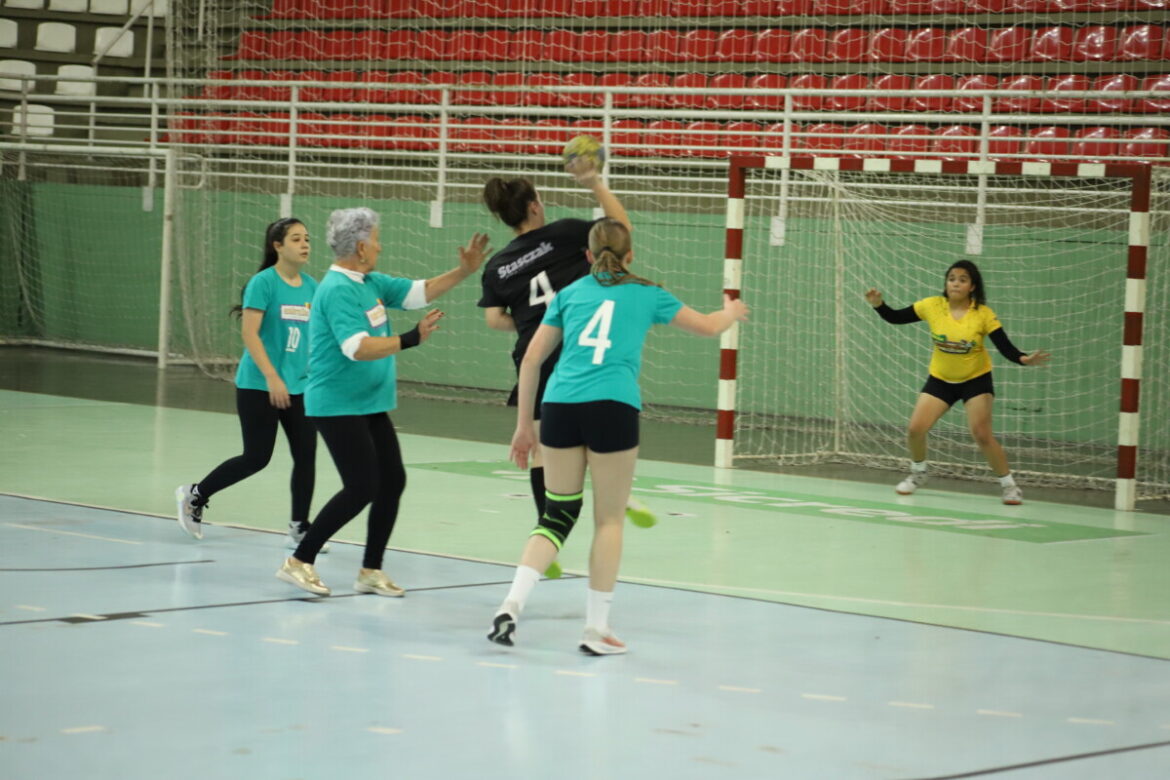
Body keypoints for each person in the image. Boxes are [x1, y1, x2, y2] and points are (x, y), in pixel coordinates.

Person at [487, 218, 749, 655]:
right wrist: (732, 313)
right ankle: (596, 629)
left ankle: (510, 605)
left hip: (560, 407)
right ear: (630, 256)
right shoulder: (647, 294)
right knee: (608, 520)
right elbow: (707, 326)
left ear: (587, 256)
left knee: (556, 516)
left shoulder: (569, 294)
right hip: (613, 407)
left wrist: (522, 429)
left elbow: (532, 360)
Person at [275, 207, 490, 597]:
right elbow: (356, 347)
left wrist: (463, 272)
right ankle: (299, 561)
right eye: (375, 239)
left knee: (392, 481)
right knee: (361, 486)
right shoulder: (338, 289)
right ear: (360, 247)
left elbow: (416, 293)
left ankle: (370, 570)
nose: (380, 245)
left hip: (368, 403)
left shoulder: (367, 280)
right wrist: (410, 339)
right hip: (337, 404)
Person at [478, 154, 654, 581]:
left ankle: (548, 537)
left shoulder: (498, 264)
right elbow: (620, 228)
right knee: (592, 426)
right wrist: (594, 183)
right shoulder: (566, 233)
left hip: (533, 358)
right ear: (536, 206)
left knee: (545, 453)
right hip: (579, 354)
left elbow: (494, 319)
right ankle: (616, 494)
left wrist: (529, 324)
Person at [175, 217, 323, 550]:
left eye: (307, 239)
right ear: (278, 246)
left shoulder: (313, 287)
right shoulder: (263, 283)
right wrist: (272, 376)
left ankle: (300, 526)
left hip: (299, 387)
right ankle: (195, 496)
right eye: (297, 239)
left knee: (306, 455)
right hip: (259, 385)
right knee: (256, 457)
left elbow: (313, 337)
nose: (305, 245)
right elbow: (249, 333)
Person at [865, 259, 1050, 505]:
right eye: (952, 278)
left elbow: (1004, 346)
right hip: (941, 380)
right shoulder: (932, 306)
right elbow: (896, 317)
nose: (955, 283)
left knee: (982, 434)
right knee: (915, 430)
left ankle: (1009, 485)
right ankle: (919, 473)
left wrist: (1023, 359)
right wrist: (879, 305)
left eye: (962, 280)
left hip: (976, 380)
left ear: (972, 286)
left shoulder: (983, 314)